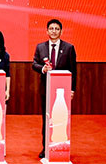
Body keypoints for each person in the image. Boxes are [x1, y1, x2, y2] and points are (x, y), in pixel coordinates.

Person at [32, 19, 77, 159]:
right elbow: (34, 64)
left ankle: (60, 145)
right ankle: (46, 147)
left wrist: (72, 90)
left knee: (61, 118)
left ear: (61, 31)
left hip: (62, 92)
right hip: (46, 89)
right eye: (51, 29)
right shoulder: (40, 47)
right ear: (47, 31)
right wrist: (43, 69)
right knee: (47, 119)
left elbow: (73, 70)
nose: (54, 31)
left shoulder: (69, 48)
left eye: (57, 29)